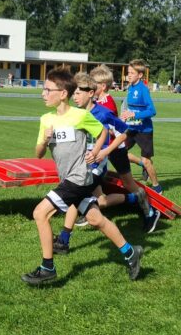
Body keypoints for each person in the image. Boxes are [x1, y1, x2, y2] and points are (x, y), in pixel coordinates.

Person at [22, 68, 143, 286]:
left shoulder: (80, 116)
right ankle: (131, 252)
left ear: (63, 94)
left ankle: (47, 268)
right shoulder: (46, 119)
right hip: (67, 178)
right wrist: (45, 140)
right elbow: (38, 154)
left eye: (47, 90)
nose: (43, 94)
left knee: (40, 212)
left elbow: (103, 132)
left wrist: (96, 152)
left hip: (79, 177)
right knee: (96, 219)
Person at [52, 70, 159, 253]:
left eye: (77, 93)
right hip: (85, 163)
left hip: (104, 159)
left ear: (92, 92)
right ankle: (132, 200)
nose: (74, 97)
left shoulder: (104, 112)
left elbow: (123, 132)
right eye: (73, 93)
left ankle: (145, 212)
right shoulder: (76, 113)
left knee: (82, 196)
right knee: (96, 201)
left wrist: (104, 152)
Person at [121, 60, 162, 192]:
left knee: (146, 160)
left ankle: (157, 187)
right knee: (119, 152)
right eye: (128, 72)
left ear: (140, 75)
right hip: (132, 128)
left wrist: (134, 115)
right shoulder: (130, 87)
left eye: (132, 73)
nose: (129, 75)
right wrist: (125, 116)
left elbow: (152, 111)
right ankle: (140, 165)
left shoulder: (143, 89)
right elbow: (130, 108)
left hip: (144, 130)